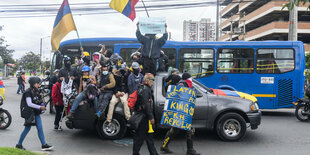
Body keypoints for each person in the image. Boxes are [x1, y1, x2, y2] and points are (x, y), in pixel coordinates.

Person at [160, 72, 200, 155]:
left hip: (182, 112)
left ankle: (164, 146)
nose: (191, 79)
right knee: (190, 130)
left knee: (174, 130)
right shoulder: (182, 85)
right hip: (180, 112)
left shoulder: (186, 84)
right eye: (190, 77)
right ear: (187, 78)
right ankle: (190, 150)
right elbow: (178, 97)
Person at [16, 77, 54, 151]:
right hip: (29, 113)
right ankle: (19, 144)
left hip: (36, 112)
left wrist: (42, 104)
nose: (38, 85)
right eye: (37, 83)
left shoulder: (37, 91)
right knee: (27, 128)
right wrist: (40, 107)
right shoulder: (28, 92)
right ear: (33, 84)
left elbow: (39, 100)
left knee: (40, 128)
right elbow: (29, 104)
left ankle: (44, 145)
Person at [132, 73, 158, 155]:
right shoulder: (146, 90)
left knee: (148, 137)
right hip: (143, 117)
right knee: (140, 137)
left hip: (143, 116)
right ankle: (135, 153)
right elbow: (146, 104)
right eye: (153, 80)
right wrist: (151, 117)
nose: (153, 82)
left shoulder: (141, 88)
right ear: (148, 80)